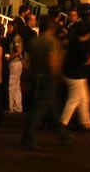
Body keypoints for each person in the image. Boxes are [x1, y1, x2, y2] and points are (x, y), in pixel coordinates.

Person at [22, 16, 70, 150]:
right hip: (49, 78)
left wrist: (28, 78)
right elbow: (53, 62)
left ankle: (63, 134)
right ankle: (29, 135)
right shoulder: (53, 43)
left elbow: (30, 63)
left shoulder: (35, 42)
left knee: (49, 108)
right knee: (42, 109)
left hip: (38, 76)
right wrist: (58, 75)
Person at [6, 31, 25, 114]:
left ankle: (10, 107)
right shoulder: (19, 37)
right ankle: (18, 107)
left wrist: (9, 57)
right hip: (19, 64)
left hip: (14, 63)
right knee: (17, 86)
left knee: (11, 85)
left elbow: (18, 52)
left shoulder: (16, 38)